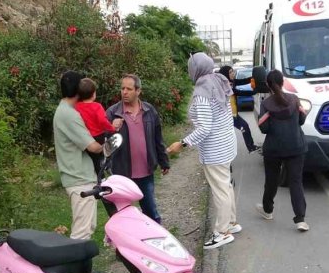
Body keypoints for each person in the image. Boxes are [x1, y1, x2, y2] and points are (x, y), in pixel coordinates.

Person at [167, 53, 240, 250]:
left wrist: (182, 143)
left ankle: (222, 232)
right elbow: (227, 111)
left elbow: (205, 127)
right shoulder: (219, 80)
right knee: (225, 185)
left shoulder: (202, 92)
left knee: (220, 190)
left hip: (215, 149)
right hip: (226, 143)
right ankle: (231, 223)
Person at [52, 70, 108, 273]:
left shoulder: (66, 110)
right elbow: (93, 146)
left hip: (80, 176)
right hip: (78, 178)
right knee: (81, 230)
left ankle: (83, 272)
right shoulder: (68, 114)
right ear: (78, 90)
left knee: (88, 226)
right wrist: (108, 145)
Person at [105, 74, 170, 223]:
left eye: (129, 89)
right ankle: (125, 244)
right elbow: (105, 144)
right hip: (122, 172)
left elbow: (157, 139)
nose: (124, 92)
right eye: (122, 88)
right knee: (123, 216)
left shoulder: (149, 110)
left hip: (145, 172)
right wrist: (111, 128)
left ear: (138, 91)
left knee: (151, 212)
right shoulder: (112, 113)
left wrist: (163, 161)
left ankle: (154, 241)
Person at [255, 70, 309, 231]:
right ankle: (300, 220)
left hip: (274, 149)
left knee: (271, 181)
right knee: (295, 182)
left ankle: (267, 210)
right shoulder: (294, 99)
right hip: (296, 146)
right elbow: (301, 119)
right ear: (283, 82)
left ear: (267, 85)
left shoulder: (266, 104)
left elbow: (263, 128)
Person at [75, 78, 119, 174]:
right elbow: (103, 121)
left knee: (93, 158)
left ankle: (98, 173)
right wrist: (112, 128)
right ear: (93, 93)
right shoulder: (97, 106)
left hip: (86, 137)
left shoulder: (77, 106)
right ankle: (105, 167)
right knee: (104, 151)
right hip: (98, 135)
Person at [218, 65, 259, 153]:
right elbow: (237, 92)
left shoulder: (232, 82)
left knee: (244, 126)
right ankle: (224, 154)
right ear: (224, 74)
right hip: (226, 115)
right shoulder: (224, 85)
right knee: (240, 128)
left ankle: (251, 147)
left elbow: (243, 81)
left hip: (233, 114)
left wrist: (255, 77)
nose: (233, 73)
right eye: (230, 72)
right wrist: (253, 92)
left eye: (233, 71)